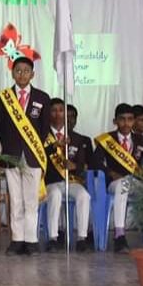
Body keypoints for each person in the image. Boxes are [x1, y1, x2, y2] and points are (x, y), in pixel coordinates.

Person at [0, 57, 50, 256]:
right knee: (16, 200)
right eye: (18, 70)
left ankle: (31, 240)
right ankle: (17, 240)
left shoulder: (42, 98)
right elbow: (0, 127)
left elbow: (44, 129)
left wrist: (33, 147)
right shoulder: (3, 98)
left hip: (33, 155)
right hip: (12, 155)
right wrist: (10, 147)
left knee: (31, 201)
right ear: (12, 73)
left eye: (26, 71)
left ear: (32, 74)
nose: (22, 74)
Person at [92, 103, 143, 253]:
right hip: (115, 183)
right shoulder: (107, 140)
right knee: (123, 185)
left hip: (135, 181)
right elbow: (95, 163)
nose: (126, 123)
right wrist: (110, 172)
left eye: (130, 119)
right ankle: (119, 235)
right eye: (122, 119)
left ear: (133, 121)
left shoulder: (141, 139)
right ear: (115, 121)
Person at [44, 98, 91, 253]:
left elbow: (82, 163)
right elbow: (38, 157)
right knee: (55, 195)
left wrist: (75, 166)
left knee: (84, 195)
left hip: (71, 181)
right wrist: (54, 146)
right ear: (48, 113)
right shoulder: (42, 135)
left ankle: (82, 238)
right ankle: (53, 238)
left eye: (61, 110)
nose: (58, 114)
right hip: (50, 182)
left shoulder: (76, 138)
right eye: (54, 111)